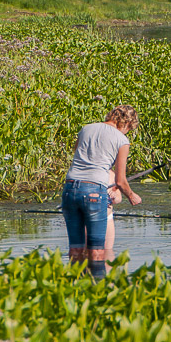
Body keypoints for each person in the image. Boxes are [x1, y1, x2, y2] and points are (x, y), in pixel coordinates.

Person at [61, 105, 143, 280]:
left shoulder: (86, 128)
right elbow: (120, 180)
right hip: (94, 193)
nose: (127, 132)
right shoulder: (121, 139)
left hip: (69, 189)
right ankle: (97, 291)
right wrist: (131, 195)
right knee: (97, 251)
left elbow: (79, 153)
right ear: (127, 122)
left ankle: (73, 288)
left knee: (75, 249)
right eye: (129, 128)